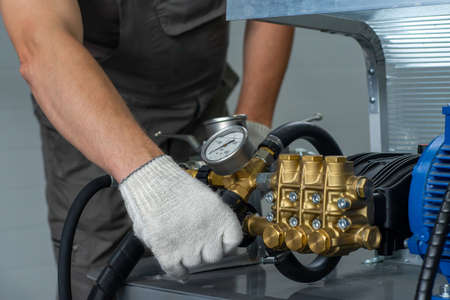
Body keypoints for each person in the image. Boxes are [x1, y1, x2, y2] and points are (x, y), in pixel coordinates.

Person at [0, 0, 294, 298]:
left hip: (203, 115)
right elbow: (42, 45)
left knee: (213, 272)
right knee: (99, 277)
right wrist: (148, 178)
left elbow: (273, 5)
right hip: (93, 119)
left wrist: (250, 127)